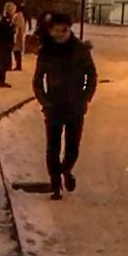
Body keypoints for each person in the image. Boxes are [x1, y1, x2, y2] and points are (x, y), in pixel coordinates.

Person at [32, 13, 97, 201]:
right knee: (52, 147)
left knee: (72, 148)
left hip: (75, 107)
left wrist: (85, 97)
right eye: (55, 30)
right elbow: (37, 80)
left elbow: (91, 75)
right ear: (50, 31)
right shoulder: (46, 51)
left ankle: (66, 169)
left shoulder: (80, 50)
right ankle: (55, 184)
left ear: (70, 29)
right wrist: (45, 101)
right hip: (53, 106)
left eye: (63, 30)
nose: (59, 34)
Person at [0, 2, 17, 88]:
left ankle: (1, 80)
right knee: (1, 64)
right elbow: (6, 33)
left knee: (1, 64)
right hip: (3, 46)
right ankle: (0, 81)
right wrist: (12, 29)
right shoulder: (5, 21)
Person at [12, 4, 27, 71]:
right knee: (17, 51)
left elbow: (16, 25)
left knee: (17, 51)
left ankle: (18, 66)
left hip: (17, 35)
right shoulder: (21, 16)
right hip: (19, 35)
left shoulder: (18, 16)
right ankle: (18, 65)